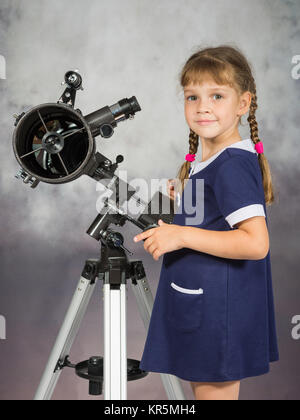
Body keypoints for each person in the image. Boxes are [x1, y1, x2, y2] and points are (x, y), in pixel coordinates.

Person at [133, 45, 279, 401]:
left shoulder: (231, 163)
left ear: (243, 104)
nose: (203, 107)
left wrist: (180, 234)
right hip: (204, 305)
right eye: (192, 97)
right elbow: (216, 222)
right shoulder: (212, 161)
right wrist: (184, 201)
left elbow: (255, 243)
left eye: (217, 95)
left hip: (219, 314)